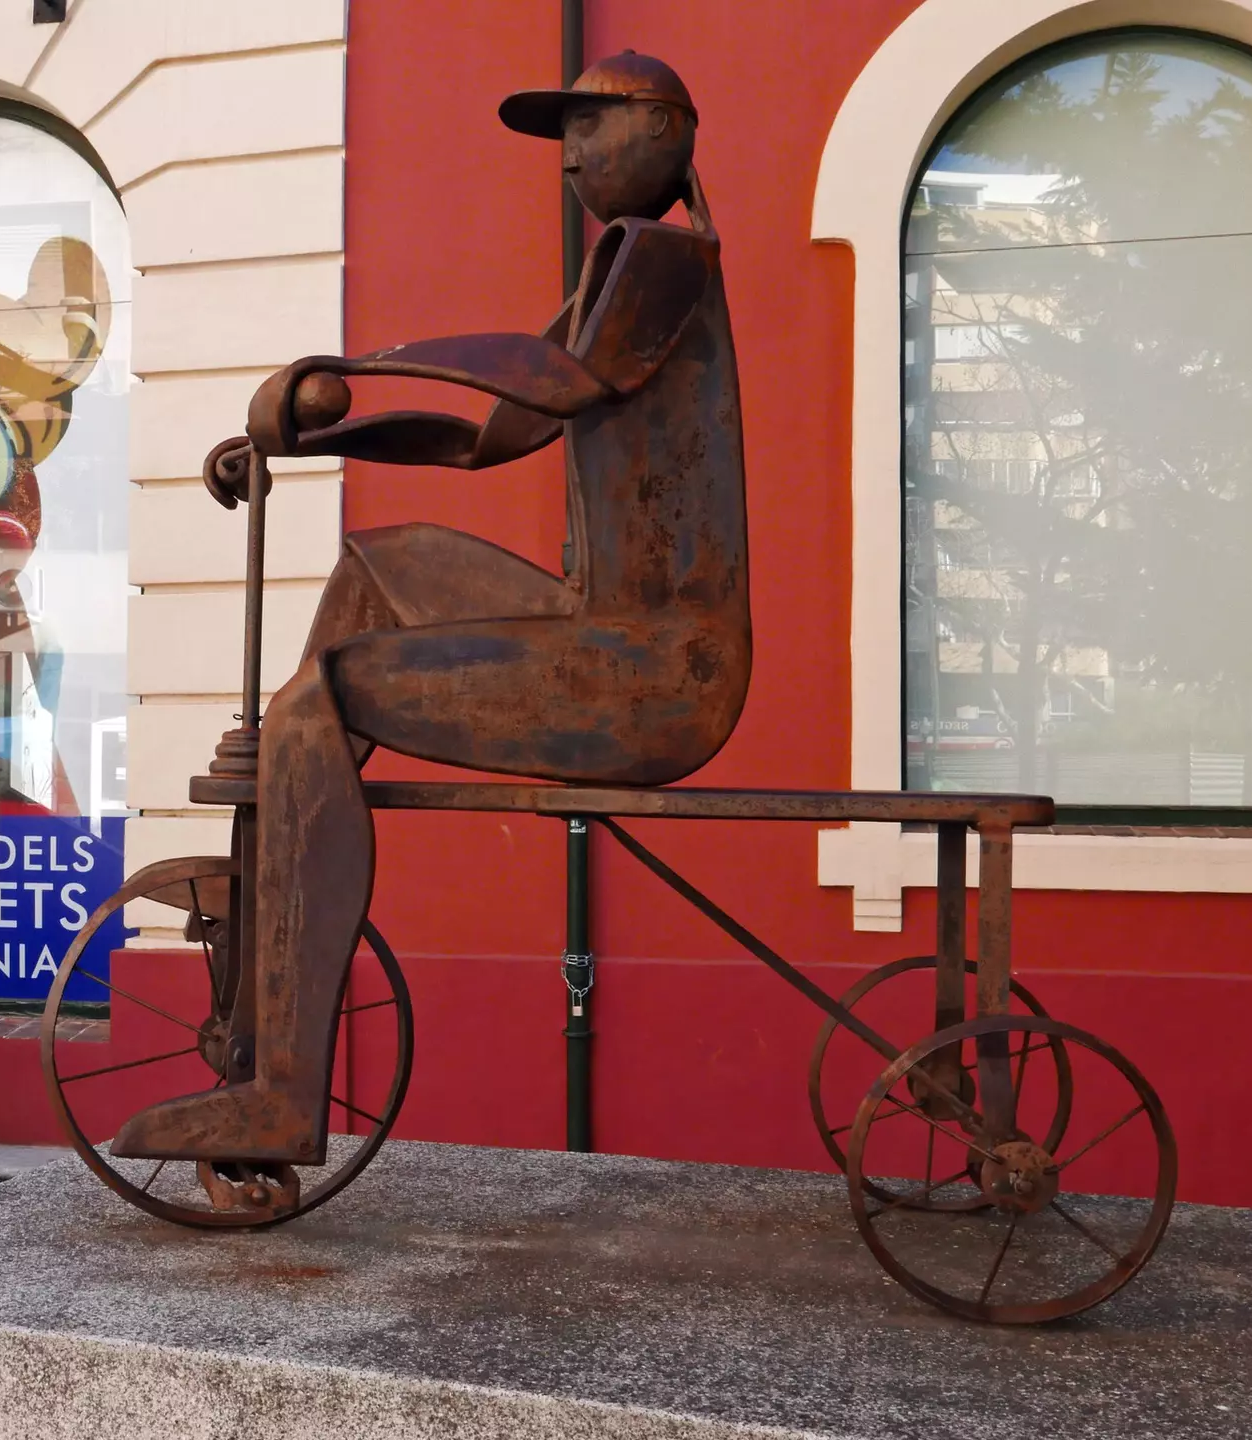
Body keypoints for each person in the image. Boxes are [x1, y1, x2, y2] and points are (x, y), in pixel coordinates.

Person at [114, 52, 754, 1173]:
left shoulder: (665, 258)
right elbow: (487, 434)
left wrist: (349, 365)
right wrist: (313, 438)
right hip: (604, 629)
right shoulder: (615, 276)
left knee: (329, 696)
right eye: (565, 135)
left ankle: (280, 1094)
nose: (569, 157)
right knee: (381, 562)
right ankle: (288, 828)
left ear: (660, 128)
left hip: (656, 673)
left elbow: (552, 384)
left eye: (590, 129)